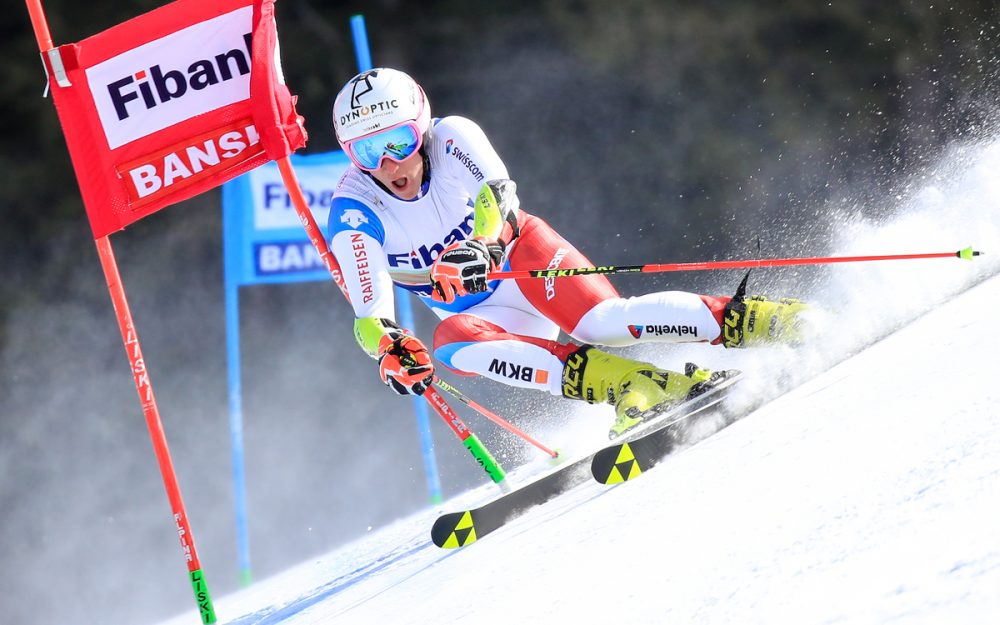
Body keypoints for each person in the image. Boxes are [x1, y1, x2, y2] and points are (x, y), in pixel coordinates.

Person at [328, 68, 808, 438]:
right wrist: (389, 348)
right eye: (367, 152)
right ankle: (640, 386)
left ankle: (761, 321)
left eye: (398, 141)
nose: (389, 163)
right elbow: (370, 314)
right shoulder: (354, 208)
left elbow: (496, 196)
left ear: (422, 126)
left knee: (600, 323)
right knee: (452, 344)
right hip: (486, 311)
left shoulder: (453, 137)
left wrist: (482, 243)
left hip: (522, 258)